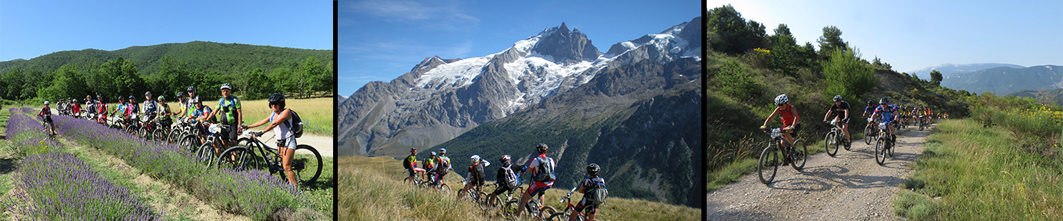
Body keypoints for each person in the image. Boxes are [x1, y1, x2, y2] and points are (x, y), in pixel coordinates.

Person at [242, 93, 300, 188]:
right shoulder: (274, 113)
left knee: (287, 166)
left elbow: (275, 124)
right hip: (280, 141)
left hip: (289, 140)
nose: (273, 105)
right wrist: (247, 126)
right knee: (282, 161)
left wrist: (262, 132)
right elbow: (262, 121)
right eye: (271, 104)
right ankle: (288, 180)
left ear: (281, 103)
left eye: (276, 103)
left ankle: (294, 188)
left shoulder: (286, 112)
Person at [516, 143, 556, 218]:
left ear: (537, 151)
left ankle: (517, 218)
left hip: (539, 183)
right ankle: (541, 212)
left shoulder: (535, 160)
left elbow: (528, 170)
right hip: (550, 182)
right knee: (541, 192)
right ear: (546, 151)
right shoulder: (551, 159)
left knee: (523, 200)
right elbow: (552, 169)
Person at [204, 83, 242, 152]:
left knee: (233, 144)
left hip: (232, 125)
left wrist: (239, 126)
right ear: (221, 92)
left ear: (230, 91)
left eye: (227, 91)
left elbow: (239, 113)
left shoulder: (235, 100)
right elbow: (213, 112)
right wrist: (207, 120)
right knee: (224, 143)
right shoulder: (220, 101)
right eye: (223, 91)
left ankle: (235, 162)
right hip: (223, 125)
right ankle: (228, 160)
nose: (225, 93)